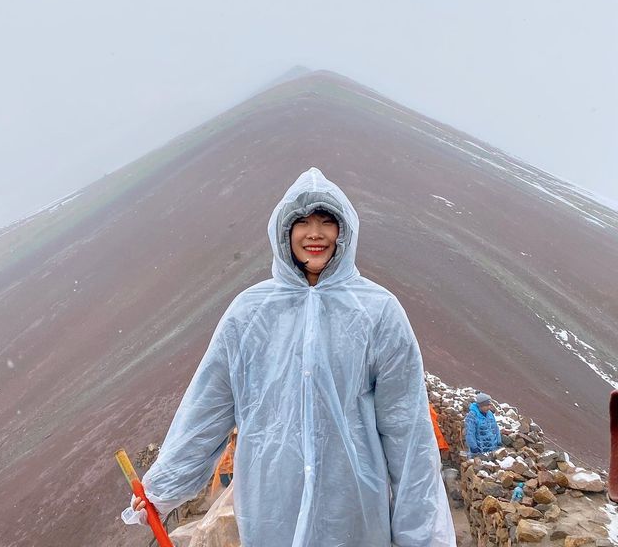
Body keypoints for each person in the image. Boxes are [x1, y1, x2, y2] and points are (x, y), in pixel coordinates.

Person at [123, 167, 456, 547]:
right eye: (303, 221)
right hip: (271, 508)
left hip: (352, 510)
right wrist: (164, 486)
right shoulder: (249, 313)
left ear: (343, 231)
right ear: (284, 231)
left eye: (327, 221)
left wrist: (422, 537)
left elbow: (407, 431)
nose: (315, 233)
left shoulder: (378, 312)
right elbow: (209, 406)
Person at [464, 392, 502, 456]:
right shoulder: (472, 416)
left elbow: (496, 428)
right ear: (480, 406)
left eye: (489, 405)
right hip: (480, 451)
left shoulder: (489, 414)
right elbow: (469, 433)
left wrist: (499, 442)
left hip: (493, 450)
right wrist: (474, 448)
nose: (489, 407)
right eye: (486, 405)